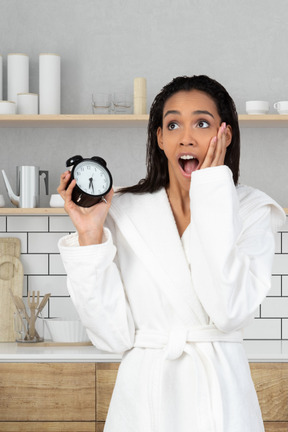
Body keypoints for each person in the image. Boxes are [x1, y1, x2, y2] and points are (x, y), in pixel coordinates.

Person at [57, 75, 285, 432]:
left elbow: (227, 312)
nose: (187, 136)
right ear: (160, 138)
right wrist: (89, 233)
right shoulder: (123, 210)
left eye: (202, 123)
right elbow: (111, 336)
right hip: (144, 400)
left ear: (224, 135)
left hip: (219, 398)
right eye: (173, 123)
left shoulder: (252, 209)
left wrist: (211, 192)